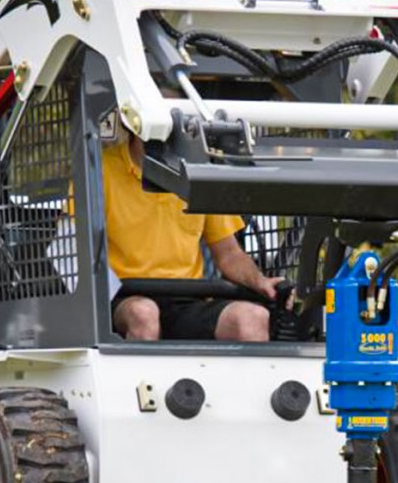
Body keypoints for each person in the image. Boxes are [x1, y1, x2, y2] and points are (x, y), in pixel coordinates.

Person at [102, 130, 284, 341]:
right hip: (125, 297)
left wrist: (260, 281)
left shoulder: (202, 172)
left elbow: (229, 254)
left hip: (186, 299)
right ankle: (143, 376)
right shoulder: (100, 170)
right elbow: (71, 251)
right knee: (144, 314)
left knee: (252, 318)